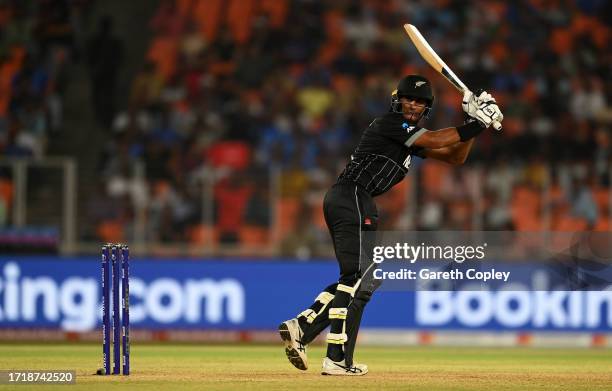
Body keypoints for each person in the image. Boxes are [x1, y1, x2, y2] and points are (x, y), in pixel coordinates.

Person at [279, 75, 503, 375]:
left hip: (355, 199)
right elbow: (438, 139)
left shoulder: (408, 138)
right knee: (356, 277)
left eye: (421, 102)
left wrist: (473, 122)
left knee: (364, 280)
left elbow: (455, 156)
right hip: (352, 196)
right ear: (397, 100)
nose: (414, 105)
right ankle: (329, 351)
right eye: (409, 99)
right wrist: (478, 121)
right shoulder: (390, 124)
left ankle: (311, 335)